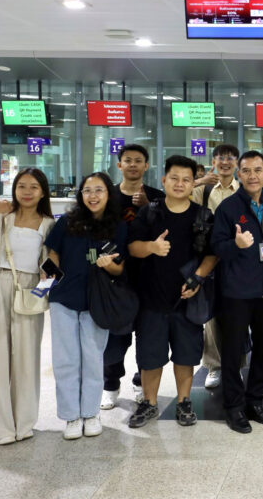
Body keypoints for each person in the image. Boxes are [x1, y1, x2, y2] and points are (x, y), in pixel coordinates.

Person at [126, 156, 217, 429]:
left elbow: (212, 255)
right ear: (164, 180)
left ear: (194, 183)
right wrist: (151, 248)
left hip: (186, 300)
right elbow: (131, 247)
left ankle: (184, 401)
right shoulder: (150, 213)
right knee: (150, 356)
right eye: (174, 178)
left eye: (186, 179)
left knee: (186, 354)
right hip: (151, 299)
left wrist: (198, 279)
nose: (180, 184)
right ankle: (149, 403)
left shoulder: (203, 215)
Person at [45, 172, 128, 440]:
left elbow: (120, 269)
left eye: (99, 190)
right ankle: (71, 416)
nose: (93, 196)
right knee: (65, 359)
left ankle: (91, 413)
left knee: (93, 359)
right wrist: (51, 272)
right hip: (64, 298)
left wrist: (109, 265)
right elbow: (52, 250)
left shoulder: (118, 226)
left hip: (97, 302)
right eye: (87, 190)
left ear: (108, 194)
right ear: (81, 195)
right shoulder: (68, 222)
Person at [0, 168, 56, 445]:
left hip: (28, 290)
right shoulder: (4, 217)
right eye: (22, 186)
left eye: (34, 187)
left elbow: (50, 267)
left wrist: (40, 295)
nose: (27, 191)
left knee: (26, 357)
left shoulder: (48, 223)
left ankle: (23, 423)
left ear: (43, 192)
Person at [210, 150, 263, 434]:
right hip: (236, 292)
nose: (252, 176)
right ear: (239, 174)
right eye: (246, 171)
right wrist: (236, 245)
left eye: (257, 170)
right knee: (232, 351)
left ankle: (255, 401)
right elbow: (216, 247)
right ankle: (234, 406)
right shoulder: (228, 208)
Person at [102, 144, 165, 411]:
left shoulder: (156, 197)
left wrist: (148, 208)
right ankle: (111, 384)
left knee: (147, 334)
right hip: (116, 276)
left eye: (138, 161)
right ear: (119, 165)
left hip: (148, 275)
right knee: (116, 336)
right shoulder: (107, 196)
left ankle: (141, 382)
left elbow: (165, 229)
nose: (133, 165)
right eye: (127, 160)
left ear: (146, 165)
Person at [191, 144, 241, 389]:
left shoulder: (242, 189)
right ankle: (214, 365)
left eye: (231, 158)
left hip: (237, 260)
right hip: (210, 259)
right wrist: (197, 182)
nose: (225, 162)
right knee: (211, 317)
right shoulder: (205, 188)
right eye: (221, 158)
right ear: (213, 161)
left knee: (237, 315)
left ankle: (236, 364)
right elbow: (175, 197)